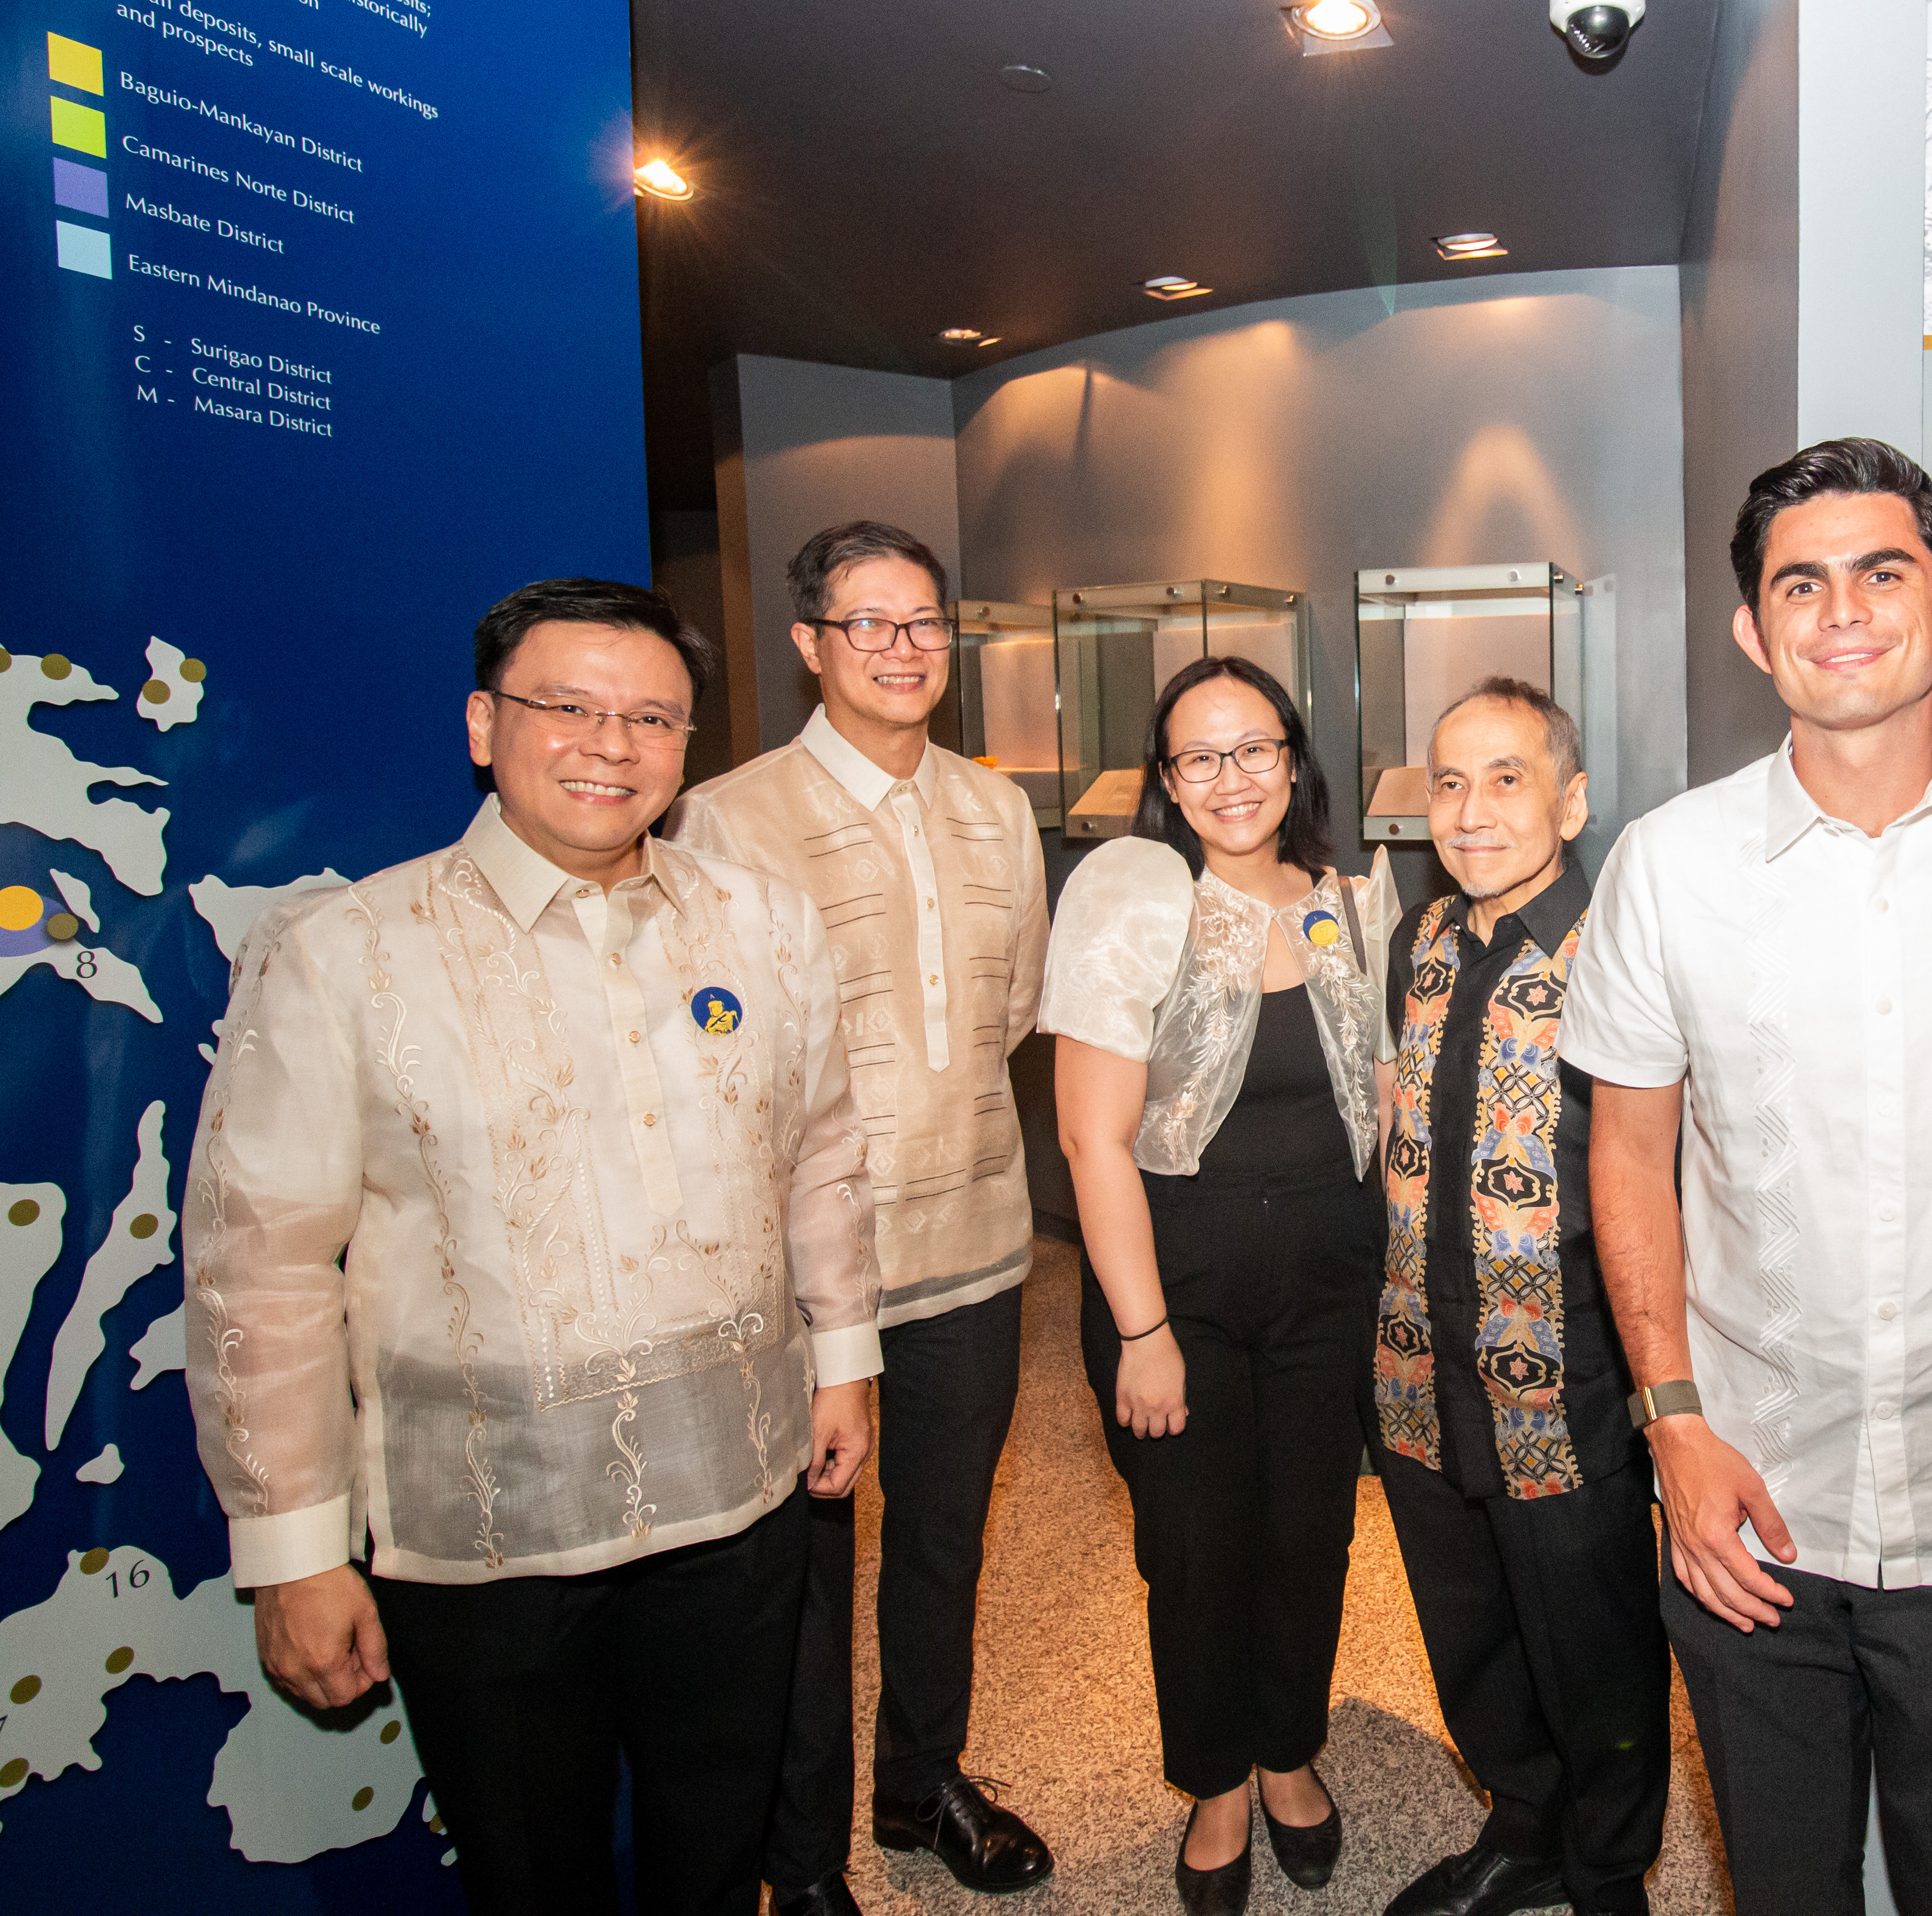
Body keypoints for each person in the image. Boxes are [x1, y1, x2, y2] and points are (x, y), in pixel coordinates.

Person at [181, 579, 882, 1916]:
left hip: (738, 1497)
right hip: (490, 1534)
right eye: (569, 707)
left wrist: (842, 1361)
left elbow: (823, 1156)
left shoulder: (765, 926)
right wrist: (295, 1550)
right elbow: (258, 1266)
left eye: (653, 719)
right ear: (481, 725)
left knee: (716, 1847)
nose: (612, 745)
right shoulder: (344, 955)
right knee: (530, 1871)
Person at [1560, 439, 1932, 1915]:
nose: (1844, 611)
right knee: (1786, 1886)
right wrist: (1672, 1424)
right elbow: (1628, 1155)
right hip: (1752, 1493)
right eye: (1799, 584)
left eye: (1885, 573)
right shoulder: (1670, 868)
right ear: (1754, 630)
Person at [666, 521, 1053, 1910]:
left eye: (925, 623)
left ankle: (920, 1782)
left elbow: (1006, 1016)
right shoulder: (728, 817)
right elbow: (720, 1064)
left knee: (945, 1538)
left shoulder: (996, 809)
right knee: (808, 1571)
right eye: (868, 624)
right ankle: (807, 1854)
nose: (902, 651)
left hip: (976, 1247)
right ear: (809, 643)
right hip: (805, 1272)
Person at [1040, 654, 1398, 1915]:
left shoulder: (1355, 904)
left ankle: (1290, 1754)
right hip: (1174, 1279)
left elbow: (1384, 1099)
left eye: (1255, 749)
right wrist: (1140, 1330)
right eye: (1200, 756)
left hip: (1329, 1280)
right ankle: (1217, 1782)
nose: (1231, 778)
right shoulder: (1135, 904)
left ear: (1295, 761)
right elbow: (1093, 1139)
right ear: (1167, 781)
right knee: (1195, 1551)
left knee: (1309, 1535)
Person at [1373, 676, 1668, 1916]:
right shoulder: (1421, 942)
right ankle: (1525, 1822)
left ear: (1572, 798)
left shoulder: (1623, 958)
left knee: (1595, 1654)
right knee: (1473, 1633)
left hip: (1565, 1383)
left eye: (1508, 779)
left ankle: (1610, 1876)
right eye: (1450, 782)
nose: (1473, 809)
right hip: (1417, 1376)